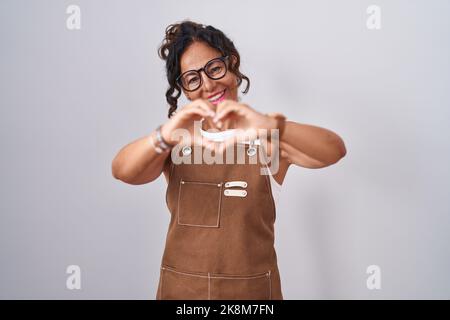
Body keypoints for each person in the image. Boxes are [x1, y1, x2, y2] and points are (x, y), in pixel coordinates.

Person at [111, 20, 347, 300]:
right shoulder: (175, 141)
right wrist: (165, 134)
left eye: (214, 68)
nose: (209, 84)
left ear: (232, 63)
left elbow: (334, 149)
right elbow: (122, 170)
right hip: (183, 295)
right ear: (184, 89)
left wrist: (270, 125)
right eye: (193, 78)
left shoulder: (267, 136)